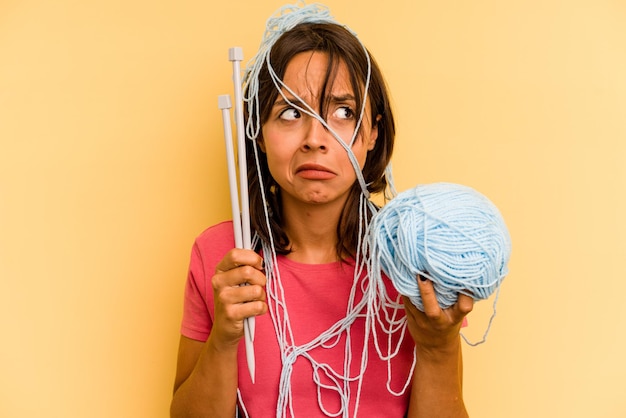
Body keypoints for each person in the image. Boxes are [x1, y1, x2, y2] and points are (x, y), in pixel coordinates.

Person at [170, 3, 473, 417]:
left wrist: (438, 349)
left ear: (372, 133)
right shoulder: (222, 254)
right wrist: (224, 338)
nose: (316, 138)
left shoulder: (415, 258)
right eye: (291, 113)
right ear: (258, 134)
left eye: (343, 112)